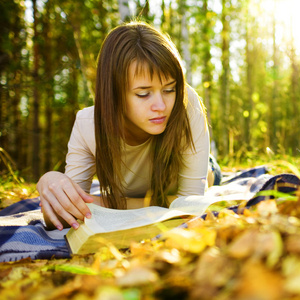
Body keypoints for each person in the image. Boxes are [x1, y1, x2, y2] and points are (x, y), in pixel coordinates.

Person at [37, 21, 211, 231]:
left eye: (169, 89)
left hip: (198, 168)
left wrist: (109, 204)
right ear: (113, 93)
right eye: (143, 94)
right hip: (149, 192)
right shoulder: (87, 126)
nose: (161, 106)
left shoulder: (186, 104)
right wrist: (49, 180)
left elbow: (190, 206)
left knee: (211, 175)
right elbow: (67, 215)